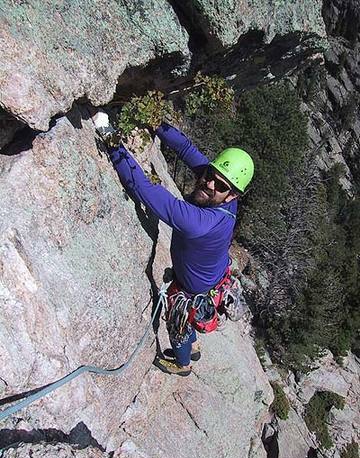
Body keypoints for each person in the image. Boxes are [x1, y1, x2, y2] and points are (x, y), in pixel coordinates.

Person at [94, 114, 254, 376]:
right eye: (210, 173)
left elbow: (146, 191)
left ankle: (182, 363)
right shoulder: (225, 193)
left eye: (219, 184)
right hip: (208, 276)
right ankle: (192, 347)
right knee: (187, 316)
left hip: (193, 287)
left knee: (177, 323)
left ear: (233, 194)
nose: (208, 182)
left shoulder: (201, 222)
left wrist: (111, 140)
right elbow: (186, 148)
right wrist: (154, 121)